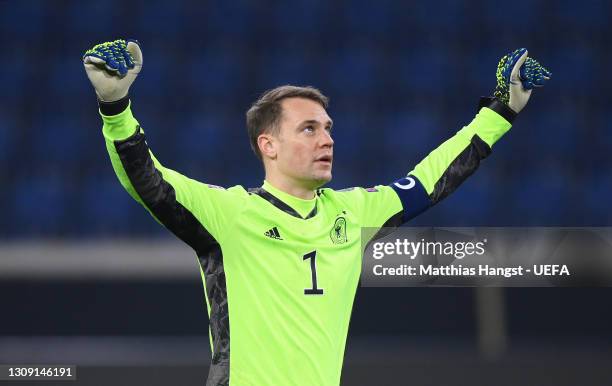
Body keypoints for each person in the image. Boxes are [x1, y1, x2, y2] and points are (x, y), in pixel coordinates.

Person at [83, 39, 550, 386]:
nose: (326, 139)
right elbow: (150, 181)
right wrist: (115, 107)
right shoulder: (229, 214)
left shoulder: (354, 211)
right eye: (308, 128)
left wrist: (502, 110)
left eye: (327, 128)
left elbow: (432, 179)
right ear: (269, 145)